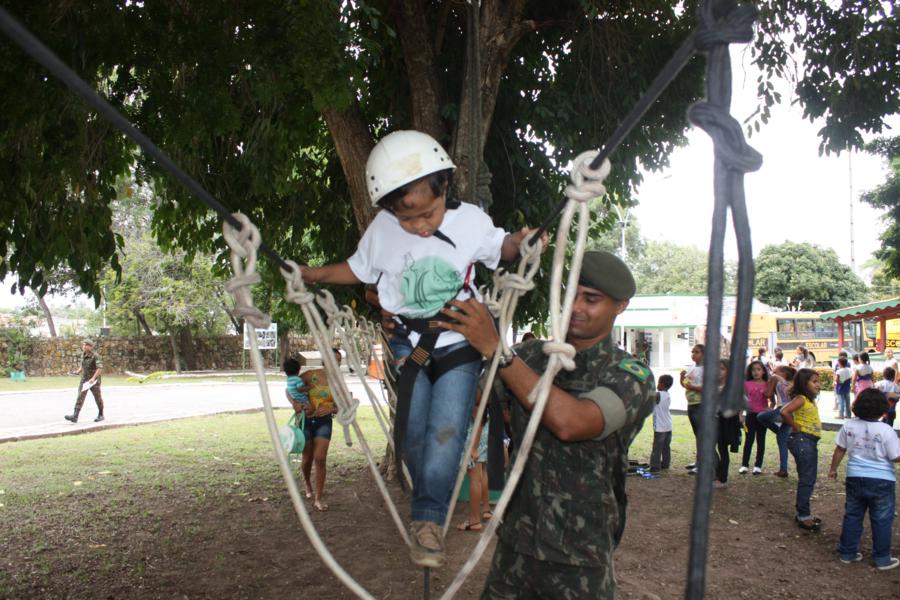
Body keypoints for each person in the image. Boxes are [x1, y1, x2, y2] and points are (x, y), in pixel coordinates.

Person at [299, 130, 542, 567]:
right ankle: (428, 496)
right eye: (406, 218)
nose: (420, 225)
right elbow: (355, 269)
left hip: (459, 340)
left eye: (426, 213)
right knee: (412, 437)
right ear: (390, 209)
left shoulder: (469, 220)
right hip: (408, 344)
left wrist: (521, 242)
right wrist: (313, 274)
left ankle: (428, 521)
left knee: (447, 430)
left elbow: (500, 248)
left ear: (445, 187)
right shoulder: (383, 231)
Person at [436, 250, 655, 599]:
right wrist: (420, 337)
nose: (577, 306)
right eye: (571, 295)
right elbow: (467, 395)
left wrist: (498, 351)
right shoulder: (531, 356)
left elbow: (573, 422)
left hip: (580, 555)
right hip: (516, 543)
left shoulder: (631, 376)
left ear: (621, 306)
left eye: (592, 299)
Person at [828, 388, 900, 570]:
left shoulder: (849, 426)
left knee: (853, 515)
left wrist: (833, 469)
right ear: (884, 409)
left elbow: (840, 450)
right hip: (882, 480)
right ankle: (882, 558)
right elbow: (895, 456)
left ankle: (847, 552)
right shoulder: (886, 430)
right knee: (882, 519)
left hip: (855, 477)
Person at [780, 368, 823, 531]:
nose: (818, 385)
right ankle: (803, 515)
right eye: (814, 381)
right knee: (807, 478)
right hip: (803, 440)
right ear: (804, 384)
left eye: (818, 381)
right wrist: (794, 426)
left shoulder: (809, 400)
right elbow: (784, 411)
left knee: (808, 477)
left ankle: (804, 513)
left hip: (809, 441)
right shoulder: (802, 399)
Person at [300, 347, 341, 512]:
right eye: (334, 359)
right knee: (307, 458)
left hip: (324, 423)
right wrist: (297, 405)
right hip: (306, 422)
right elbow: (290, 389)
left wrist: (331, 409)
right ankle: (307, 484)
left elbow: (344, 404)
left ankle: (318, 498)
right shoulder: (310, 375)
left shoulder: (339, 381)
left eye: (339, 360)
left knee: (320, 458)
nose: (337, 363)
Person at [456, 403, 491, 532]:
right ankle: (486, 510)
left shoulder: (474, 387)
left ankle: (474, 521)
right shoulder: (481, 384)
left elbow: (478, 418)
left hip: (475, 435)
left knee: (475, 478)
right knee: (481, 473)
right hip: (482, 433)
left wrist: (473, 448)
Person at [758, 365, 797, 477]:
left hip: (786, 410)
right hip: (782, 410)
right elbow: (768, 394)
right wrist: (771, 382)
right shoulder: (777, 381)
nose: (773, 373)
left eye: (776, 371)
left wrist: (779, 379)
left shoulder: (791, 383)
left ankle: (784, 468)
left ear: (784, 373)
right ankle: (783, 469)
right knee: (781, 439)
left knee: (761, 416)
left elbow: (789, 392)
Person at [714, 359, 743, 489]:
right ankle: (718, 475)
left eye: (722, 369)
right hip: (715, 421)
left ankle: (722, 478)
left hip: (727, 422)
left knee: (723, 450)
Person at [64, 338, 104, 423]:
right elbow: (82, 366)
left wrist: (93, 378)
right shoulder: (83, 354)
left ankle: (101, 414)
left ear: (91, 347)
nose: (84, 346)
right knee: (80, 397)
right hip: (84, 380)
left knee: (98, 398)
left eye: (86, 345)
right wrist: (77, 371)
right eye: (83, 345)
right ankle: (75, 416)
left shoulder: (95, 356)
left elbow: (100, 368)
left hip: (94, 381)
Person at [739, 360, 768, 475]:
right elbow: (743, 400)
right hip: (750, 415)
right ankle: (744, 465)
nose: (755, 372)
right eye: (753, 370)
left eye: (758, 369)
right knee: (749, 440)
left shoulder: (767, 384)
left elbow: (773, 399)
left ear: (763, 372)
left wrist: (769, 409)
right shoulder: (747, 384)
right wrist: (741, 414)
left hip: (762, 416)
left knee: (761, 440)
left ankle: (758, 466)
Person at [680, 344, 705, 474]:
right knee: (697, 434)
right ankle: (698, 460)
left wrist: (691, 387)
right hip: (691, 404)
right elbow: (686, 384)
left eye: (697, 352)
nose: (693, 354)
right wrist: (682, 378)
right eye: (692, 352)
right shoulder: (692, 367)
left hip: (700, 404)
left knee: (701, 435)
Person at [649, 374, 674, 473]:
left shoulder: (658, 395)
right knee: (666, 447)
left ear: (662, 384)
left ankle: (655, 467)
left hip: (660, 427)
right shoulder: (667, 394)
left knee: (657, 448)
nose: (657, 385)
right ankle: (665, 464)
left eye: (658, 382)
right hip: (668, 425)